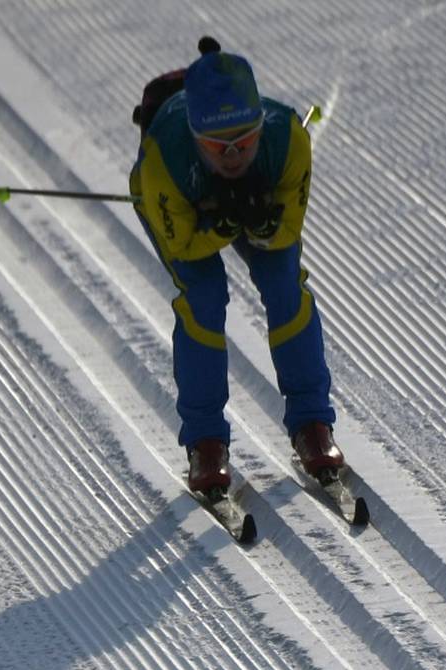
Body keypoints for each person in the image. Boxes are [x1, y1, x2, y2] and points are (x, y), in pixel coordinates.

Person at [129, 37, 344, 500]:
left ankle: (313, 424)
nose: (232, 156)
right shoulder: (165, 162)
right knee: (204, 297)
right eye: (216, 146)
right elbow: (185, 244)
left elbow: (285, 232)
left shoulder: (288, 139)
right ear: (194, 137)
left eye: (244, 141)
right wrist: (223, 224)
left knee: (284, 283)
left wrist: (263, 225)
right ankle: (205, 442)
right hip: (182, 211)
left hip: (226, 208)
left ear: (261, 126)